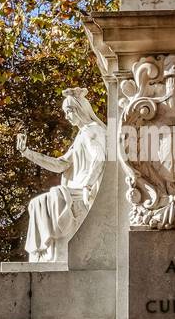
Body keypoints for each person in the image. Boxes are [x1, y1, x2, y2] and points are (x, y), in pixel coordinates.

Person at [16, 88, 107, 262]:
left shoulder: (92, 131)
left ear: (80, 109)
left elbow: (100, 158)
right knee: (37, 203)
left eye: (69, 112)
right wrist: (27, 152)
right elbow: (60, 165)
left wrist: (88, 185)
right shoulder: (82, 135)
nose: (66, 116)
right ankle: (47, 255)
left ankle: (56, 255)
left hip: (86, 189)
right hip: (78, 188)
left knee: (52, 199)